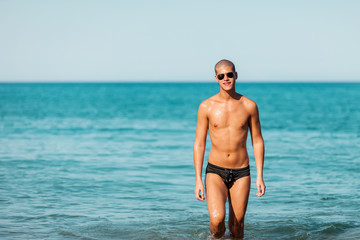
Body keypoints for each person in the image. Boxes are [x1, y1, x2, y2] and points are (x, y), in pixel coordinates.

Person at [193, 59, 265, 239]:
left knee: (238, 227)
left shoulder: (249, 106)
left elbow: (257, 141)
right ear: (216, 78)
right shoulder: (206, 106)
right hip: (215, 171)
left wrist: (260, 176)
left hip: (242, 171)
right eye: (221, 75)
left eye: (230, 74)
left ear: (236, 75)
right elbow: (199, 143)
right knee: (217, 221)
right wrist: (198, 180)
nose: (226, 78)